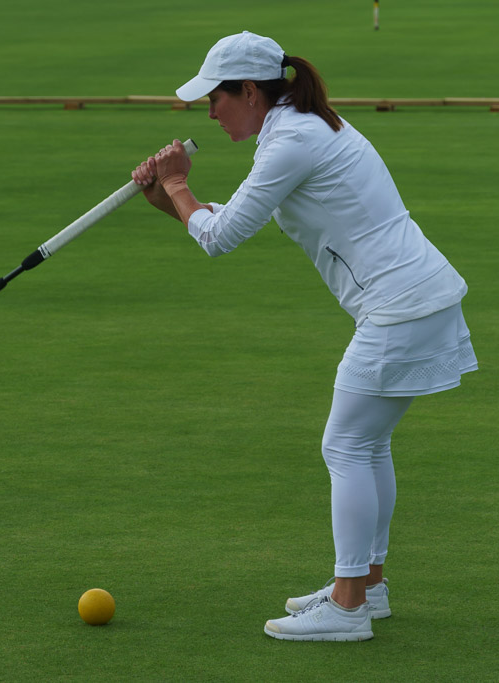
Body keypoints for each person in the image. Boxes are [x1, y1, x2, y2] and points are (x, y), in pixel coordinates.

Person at [131, 31, 477, 642]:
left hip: (400, 308)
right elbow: (223, 223)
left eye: (215, 98)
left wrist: (179, 185)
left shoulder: (292, 141)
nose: (209, 113)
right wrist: (169, 198)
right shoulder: (300, 128)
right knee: (365, 444)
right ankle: (366, 588)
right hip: (417, 299)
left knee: (345, 446)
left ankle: (347, 606)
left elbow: (219, 237)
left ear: (249, 92)